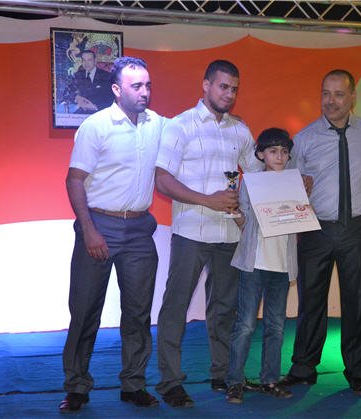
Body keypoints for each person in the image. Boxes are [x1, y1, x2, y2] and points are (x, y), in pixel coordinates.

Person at [59, 56, 166, 413]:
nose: (145, 92)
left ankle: (133, 384)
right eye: (137, 86)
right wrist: (89, 230)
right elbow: (74, 180)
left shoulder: (157, 125)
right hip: (99, 225)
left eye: (148, 85)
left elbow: (191, 135)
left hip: (139, 229)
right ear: (117, 89)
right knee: (85, 311)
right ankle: (77, 386)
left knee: (138, 313)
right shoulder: (96, 126)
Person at [154, 59, 263, 408]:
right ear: (205, 85)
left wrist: (290, 180)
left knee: (224, 310)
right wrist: (208, 200)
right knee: (176, 308)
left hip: (229, 234)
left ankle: (222, 374)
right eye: (223, 86)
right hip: (190, 232)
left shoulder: (240, 131)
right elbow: (162, 180)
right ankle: (170, 382)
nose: (229, 94)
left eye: (234, 89)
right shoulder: (180, 125)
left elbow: (260, 173)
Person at [280, 69, 361, 396]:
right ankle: (303, 368)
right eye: (326, 94)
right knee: (311, 301)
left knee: (357, 302)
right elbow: (285, 183)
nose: (331, 101)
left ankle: (357, 372)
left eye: (339, 94)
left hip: (357, 228)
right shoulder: (304, 139)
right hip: (315, 229)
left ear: (353, 97)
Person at [225, 128, 297, 404]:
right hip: (254, 263)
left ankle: (270, 379)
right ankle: (235, 382)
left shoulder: (295, 183)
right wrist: (235, 213)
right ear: (260, 155)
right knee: (245, 325)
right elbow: (244, 222)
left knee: (276, 326)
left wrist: (305, 212)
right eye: (273, 151)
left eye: (284, 151)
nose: (279, 156)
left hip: (282, 265)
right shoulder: (250, 182)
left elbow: (299, 218)